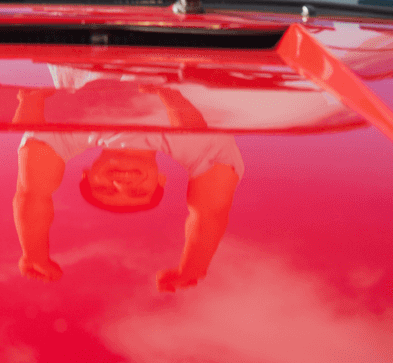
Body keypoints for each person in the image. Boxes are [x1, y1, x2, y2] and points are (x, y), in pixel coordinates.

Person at [12, 72, 242, 292]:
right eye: (138, 192)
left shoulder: (69, 134)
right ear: (160, 179)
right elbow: (211, 211)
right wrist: (194, 267)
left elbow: (33, 192)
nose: (121, 184)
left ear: (87, 174)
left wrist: (33, 254)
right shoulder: (195, 147)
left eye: (104, 188)